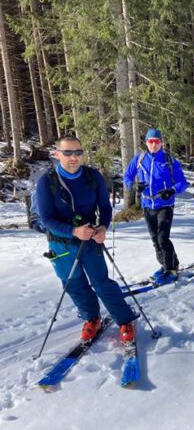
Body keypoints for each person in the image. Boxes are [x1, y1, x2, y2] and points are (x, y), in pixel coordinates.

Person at [35, 135, 138, 343]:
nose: (74, 157)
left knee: (101, 282)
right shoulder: (47, 182)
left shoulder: (93, 177)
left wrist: (103, 227)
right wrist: (73, 231)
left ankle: (124, 319)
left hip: (90, 240)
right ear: (57, 154)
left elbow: (105, 208)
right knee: (73, 284)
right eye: (68, 153)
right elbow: (46, 219)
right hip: (60, 244)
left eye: (78, 152)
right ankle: (91, 318)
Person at [123, 128, 189, 285]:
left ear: (161, 143)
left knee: (162, 238)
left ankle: (170, 270)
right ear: (146, 142)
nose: (153, 144)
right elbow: (127, 176)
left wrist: (171, 190)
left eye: (157, 141)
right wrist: (133, 185)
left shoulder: (169, 160)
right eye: (151, 141)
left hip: (165, 205)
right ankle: (168, 264)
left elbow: (183, 182)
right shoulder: (139, 159)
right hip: (147, 205)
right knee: (155, 240)